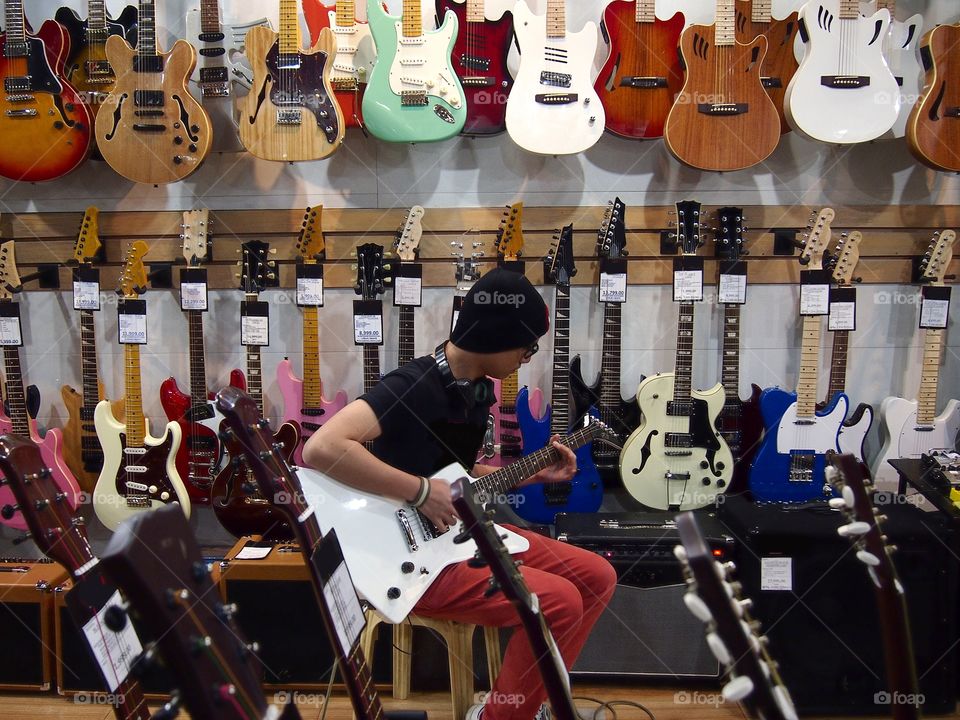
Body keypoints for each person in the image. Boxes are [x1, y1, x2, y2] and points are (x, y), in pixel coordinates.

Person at [303, 268, 617, 720]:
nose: (528, 359)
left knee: (596, 577)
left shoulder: (473, 392)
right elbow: (322, 447)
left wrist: (533, 475)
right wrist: (418, 491)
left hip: (455, 534)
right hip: (411, 559)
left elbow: (460, 476)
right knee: (558, 600)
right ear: (497, 337)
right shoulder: (414, 384)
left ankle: (530, 702)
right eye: (527, 347)